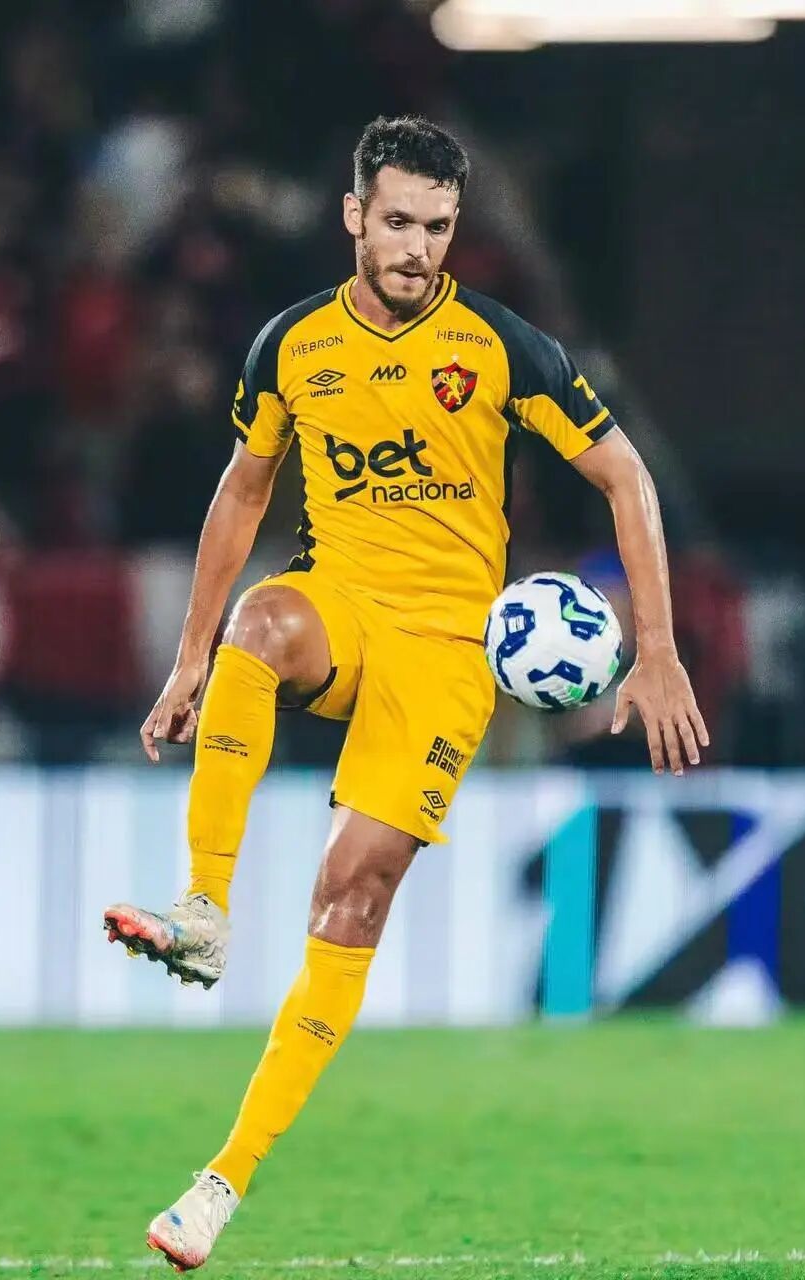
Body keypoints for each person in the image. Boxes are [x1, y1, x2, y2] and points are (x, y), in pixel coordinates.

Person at [103, 115, 709, 1271]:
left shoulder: (502, 348)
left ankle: (221, 1180)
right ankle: (204, 911)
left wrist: (660, 647)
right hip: (340, 605)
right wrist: (187, 656)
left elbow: (624, 473)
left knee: (350, 898)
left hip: (444, 657)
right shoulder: (292, 345)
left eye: (436, 226)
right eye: (396, 222)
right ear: (353, 217)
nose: (416, 247)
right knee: (257, 620)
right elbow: (243, 490)